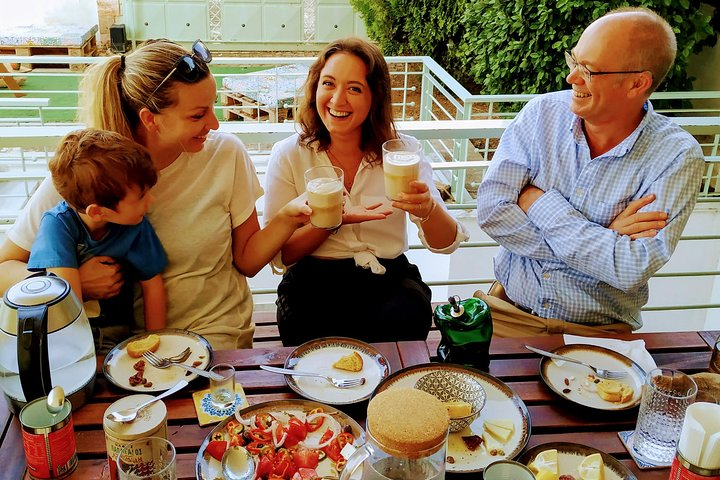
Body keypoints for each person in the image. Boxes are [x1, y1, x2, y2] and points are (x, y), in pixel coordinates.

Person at [0, 39, 310, 350]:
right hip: (115, 347)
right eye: (197, 115)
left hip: (214, 333)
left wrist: (289, 218)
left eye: (213, 108)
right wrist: (71, 282)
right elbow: (5, 270)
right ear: (150, 119)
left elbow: (247, 261)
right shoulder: (89, 172)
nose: (214, 124)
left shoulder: (225, 153)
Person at [475, 7, 705, 336]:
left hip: (601, 333)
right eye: (574, 61)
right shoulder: (542, 114)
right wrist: (602, 237)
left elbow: (631, 268)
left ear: (637, 83)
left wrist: (538, 203)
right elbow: (491, 211)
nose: (572, 78)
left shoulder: (677, 155)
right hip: (507, 314)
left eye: (589, 70)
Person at [264, 37, 469, 346]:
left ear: (375, 96)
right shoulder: (290, 154)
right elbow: (283, 254)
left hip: (387, 276)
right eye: (329, 84)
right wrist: (333, 220)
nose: (337, 100)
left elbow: (446, 244)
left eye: (355, 88)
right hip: (313, 280)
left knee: (406, 314)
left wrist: (427, 209)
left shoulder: (403, 152)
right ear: (315, 88)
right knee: (308, 326)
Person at [27, 129, 167, 353]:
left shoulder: (135, 225)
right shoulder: (58, 225)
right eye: (141, 196)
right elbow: (67, 304)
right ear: (98, 212)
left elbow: (153, 286)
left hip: (118, 335)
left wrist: (154, 343)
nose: (151, 201)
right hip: (66, 337)